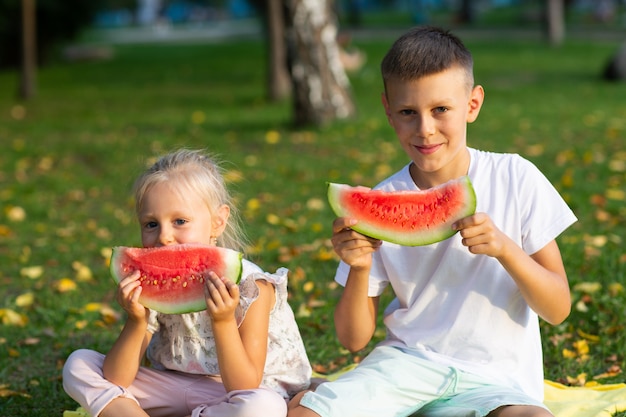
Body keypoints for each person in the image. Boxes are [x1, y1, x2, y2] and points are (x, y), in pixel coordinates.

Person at [288, 26, 577, 417]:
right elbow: (353, 339)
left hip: (498, 381)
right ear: (389, 112)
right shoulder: (383, 200)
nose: (425, 129)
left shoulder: (516, 176)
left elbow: (557, 308)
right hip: (406, 367)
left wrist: (505, 249)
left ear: (473, 104)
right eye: (408, 112)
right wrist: (358, 268)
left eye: (441, 109)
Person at [63, 149, 312, 417]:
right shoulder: (148, 285)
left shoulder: (253, 287)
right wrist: (136, 321)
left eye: (180, 221)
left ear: (218, 222)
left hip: (240, 394)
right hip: (172, 387)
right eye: (151, 224)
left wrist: (223, 321)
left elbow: (245, 384)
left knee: (264, 407)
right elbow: (117, 379)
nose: (165, 237)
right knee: (79, 364)